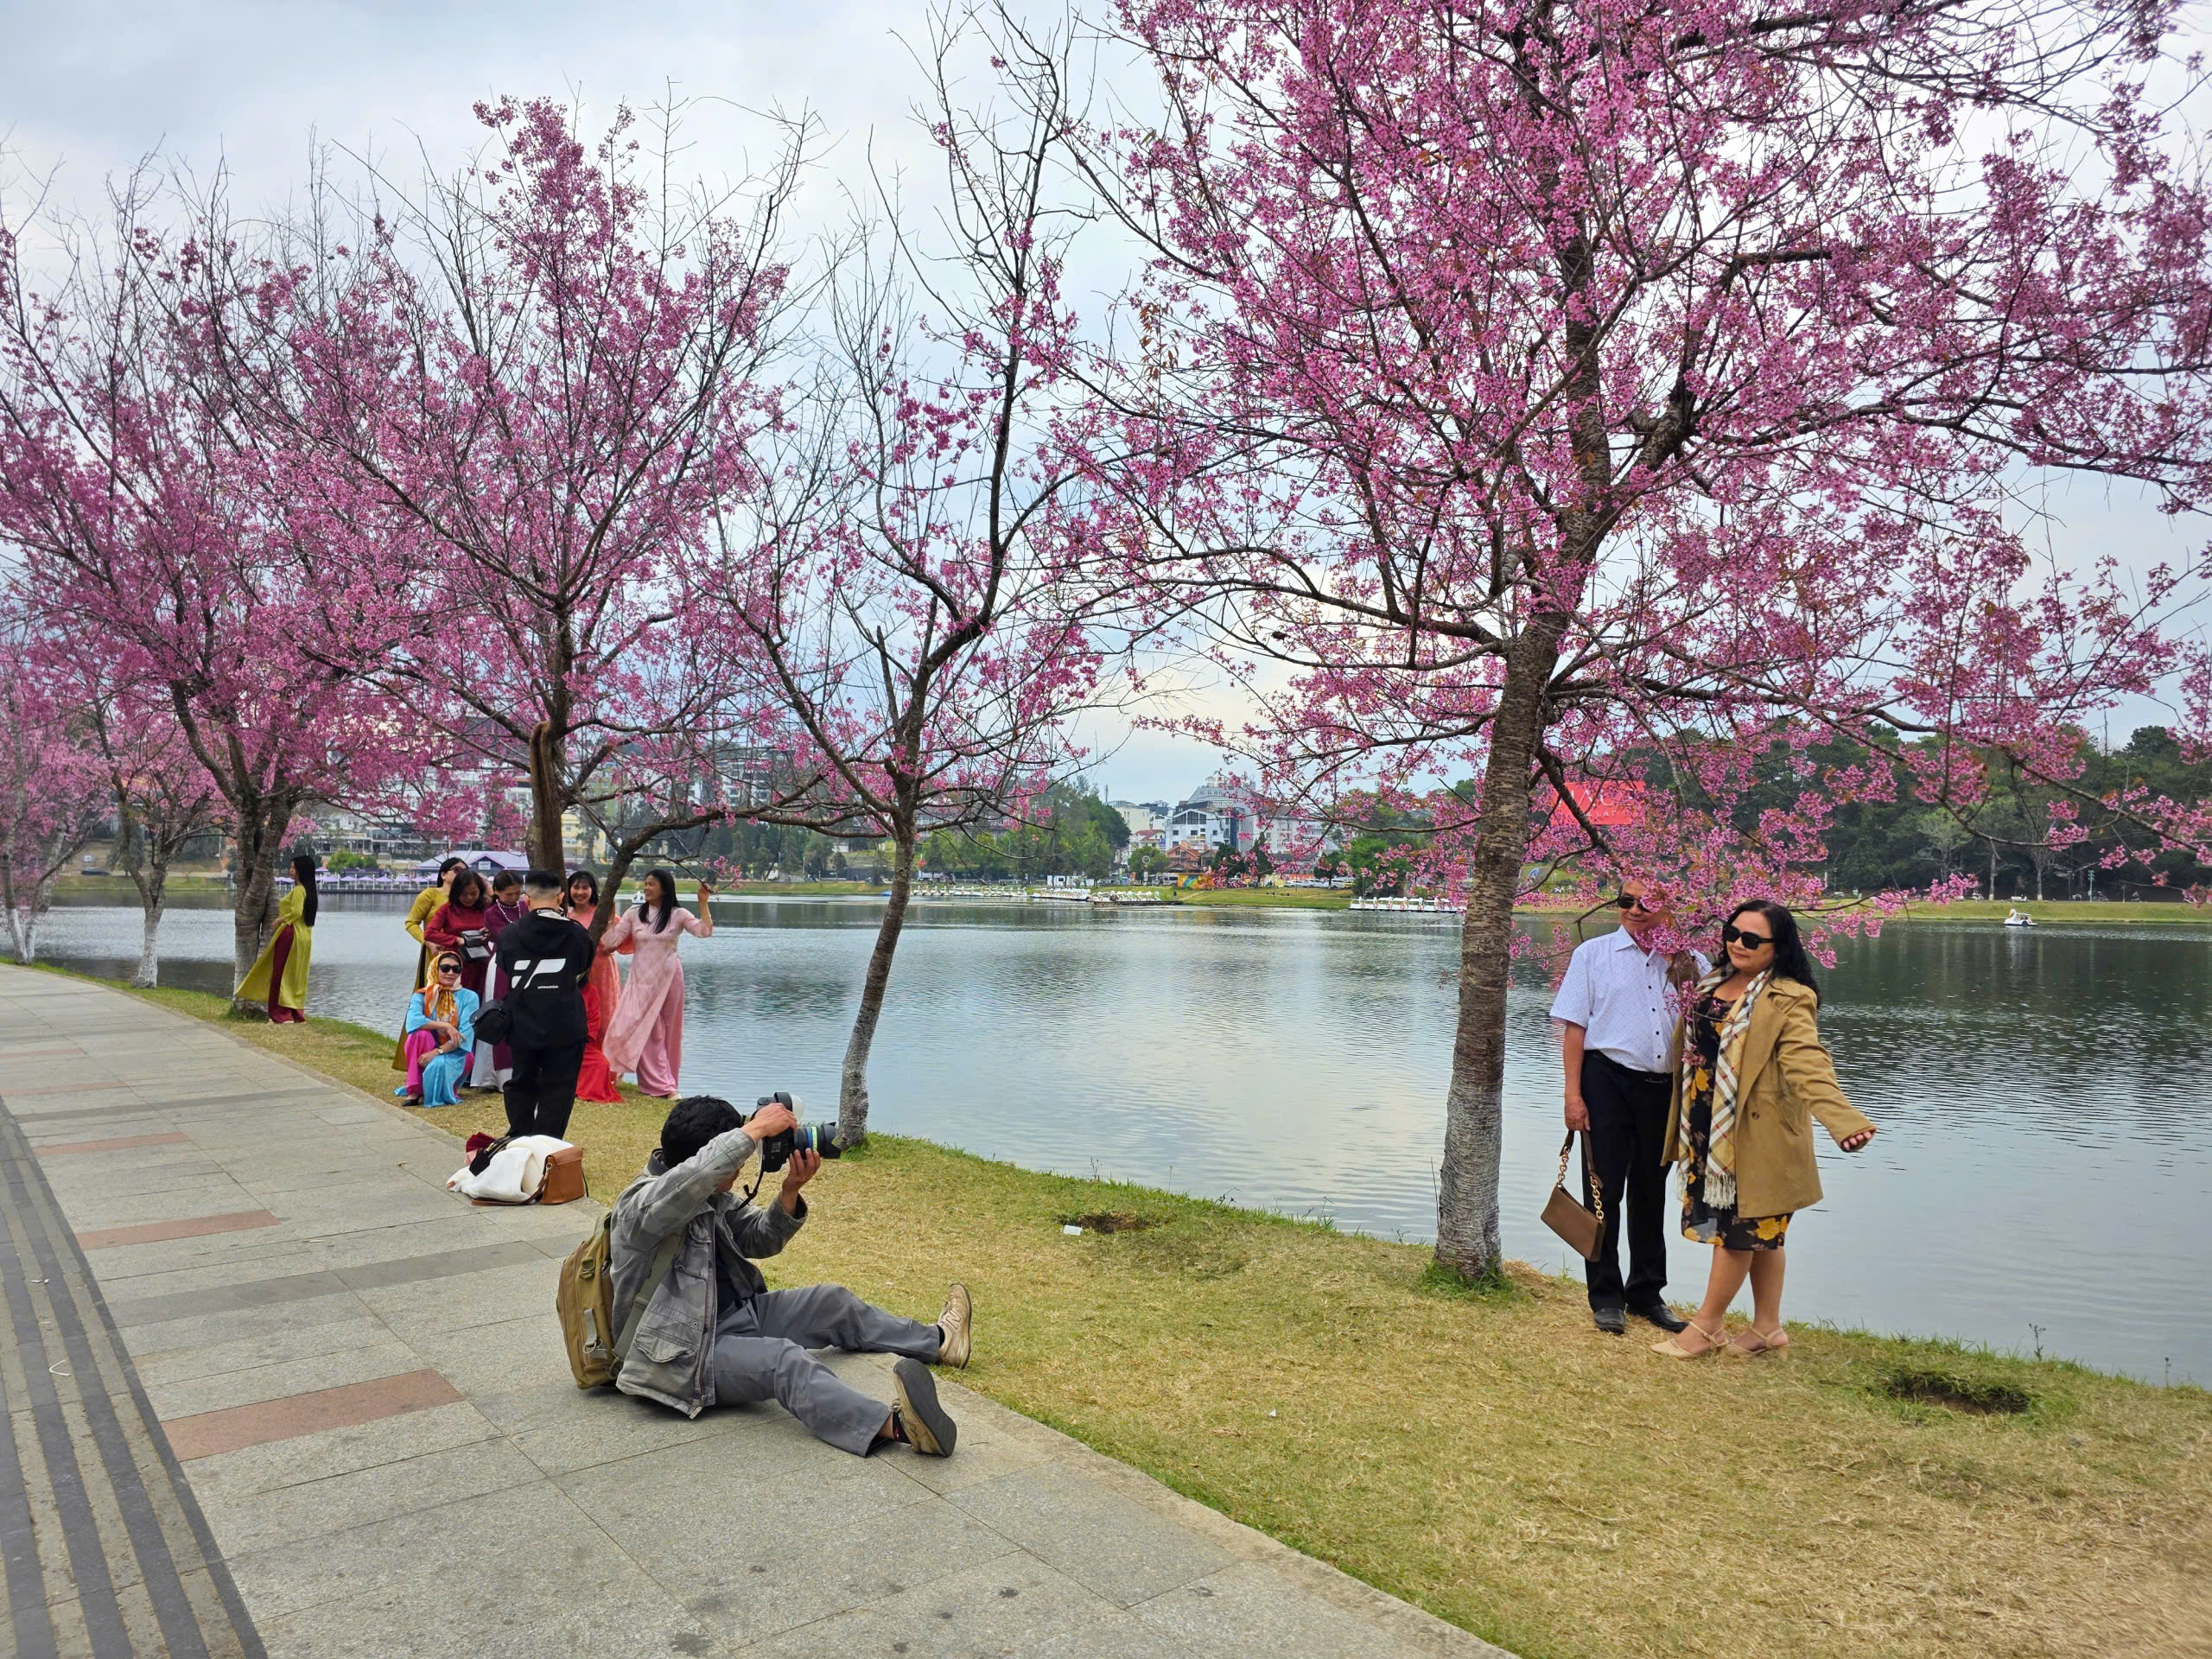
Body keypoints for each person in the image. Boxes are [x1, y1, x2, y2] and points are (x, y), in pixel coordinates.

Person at [607, 1093, 971, 1458]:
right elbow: (695, 1176)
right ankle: (902, 1429)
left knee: (833, 1302)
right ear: (704, 1156)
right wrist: (756, 1127)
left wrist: (789, 1193)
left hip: (731, 1317)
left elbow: (758, 1239)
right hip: (682, 1353)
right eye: (735, 1160)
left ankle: (939, 1341)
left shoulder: (709, 1195)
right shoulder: (641, 1206)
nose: (740, 1169)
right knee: (786, 1361)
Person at [1651, 899, 1878, 1358]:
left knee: (1739, 1232)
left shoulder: (1789, 998)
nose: (1737, 943)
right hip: (1708, 1130)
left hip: (1755, 1138)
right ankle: (1768, 1329)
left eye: (1752, 939)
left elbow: (1807, 1063)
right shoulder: (1711, 984)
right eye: (1732, 933)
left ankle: (1706, 1327)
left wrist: (1844, 1120)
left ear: (1778, 948)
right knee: (1764, 1234)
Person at [1549, 881, 1706, 1335]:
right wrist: (1572, 1095)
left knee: (1650, 1190)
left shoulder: (1689, 962)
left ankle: (1646, 1292)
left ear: (1669, 907)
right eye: (1627, 901)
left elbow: (1707, 1027)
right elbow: (1574, 1028)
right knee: (1603, 1190)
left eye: (1649, 902)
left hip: (1664, 1088)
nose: (1636, 910)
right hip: (1606, 1081)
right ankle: (1605, 1296)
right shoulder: (1594, 955)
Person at [494, 868, 599, 1140]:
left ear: (526, 899)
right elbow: (582, 969)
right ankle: (547, 1145)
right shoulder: (577, 934)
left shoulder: (508, 934)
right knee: (560, 1087)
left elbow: (506, 968)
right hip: (565, 1023)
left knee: (521, 1081)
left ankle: (519, 1137)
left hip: (523, 1023)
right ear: (561, 898)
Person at [598, 869, 714, 1099]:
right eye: (645, 883)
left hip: (669, 978)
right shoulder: (634, 914)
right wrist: (610, 916)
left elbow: (704, 931)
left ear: (664, 888)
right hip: (641, 980)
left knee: (670, 1031)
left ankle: (668, 1083)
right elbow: (608, 943)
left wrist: (703, 902)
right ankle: (656, 1084)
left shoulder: (678, 914)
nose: (646, 888)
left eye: (651, 884)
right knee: (642, 1028)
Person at [393, 856, 465, 1071]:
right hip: (434, 956)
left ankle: (454, 1056)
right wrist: (427, 941)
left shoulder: (467, 899)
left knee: (458, 1004)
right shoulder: (431, 894)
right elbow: (411, 923)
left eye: (464, 870)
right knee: (430, 1002)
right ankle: (419, 1057)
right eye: (456, 869)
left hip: (461, 957)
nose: (460, 873)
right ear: (443, 874)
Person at [236, 854, 318, 1022]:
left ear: (302, 870)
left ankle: (279, 1014)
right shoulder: (309, 892)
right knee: (295, 975)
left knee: (279, 974)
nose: (291, 870)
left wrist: (279, 920)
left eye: (294, 868)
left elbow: (296, 913)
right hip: (304, 937)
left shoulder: (298, 890)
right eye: (291, 867)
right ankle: (294, 1013)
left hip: (290, 934)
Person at [467, 871, 531, 1090]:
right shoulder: (492, 912)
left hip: (526, 964)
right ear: (496, 892)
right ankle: (495, 1076)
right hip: (503, 964)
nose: (515, 898)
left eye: (518, 893)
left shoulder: (524, 908)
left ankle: (523, 1070)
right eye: (509, 894)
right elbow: (507, 938)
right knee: (500, 1014)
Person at [396, 953, 478, 1108]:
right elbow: (413, 1022)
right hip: (427, 1046)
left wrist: (436, 1052)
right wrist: (446, 1026)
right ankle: (415, 1090)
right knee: (417, 1035)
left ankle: (433, 1089)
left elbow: (464, 1035)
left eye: (456, 969)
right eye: (445, 968)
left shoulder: (470, 997)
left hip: (457, 1052)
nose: (451, 973)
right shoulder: (422, 995)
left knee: (436, 1066)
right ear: (435, 969)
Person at [564, 868, 625, 1029]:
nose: (580, 892)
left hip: (602, 970)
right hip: (575, 973)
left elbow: (619, 939)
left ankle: (606, 1053)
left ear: (593, 890)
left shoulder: (601, 914)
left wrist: (610, 921)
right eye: (576, 887)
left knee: (605, 1014)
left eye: (585, 888)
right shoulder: (566, 917)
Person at [425, 869, 494, 1003]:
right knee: (455, 1003)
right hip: (456, 965)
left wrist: (490, 933)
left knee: (482, 1001)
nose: (469, 898)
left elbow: (503, 929)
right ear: (456, 893)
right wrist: (455, 940)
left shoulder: (487, 908)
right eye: (464, 894)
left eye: (474, 893)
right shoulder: (447, 909)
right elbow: (430, 933)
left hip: (483, 963)